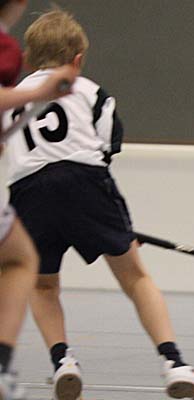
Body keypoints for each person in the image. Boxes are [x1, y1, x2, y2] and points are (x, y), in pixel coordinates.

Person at [3, 9, 194, 400]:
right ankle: (174, 363)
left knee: (43, 284)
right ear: (77, 59)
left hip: (28, 192)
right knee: (135, 276)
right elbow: (103, 153)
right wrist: (107, 222)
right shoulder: (93, 93)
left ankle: (63, 362)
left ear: (28, 57)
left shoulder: (15, 97)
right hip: (87, 184)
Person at [0, 2, 78, 399]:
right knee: (19, 262)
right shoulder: (5, 50)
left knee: (20, 259)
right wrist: (41, 93)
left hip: (27, 193)